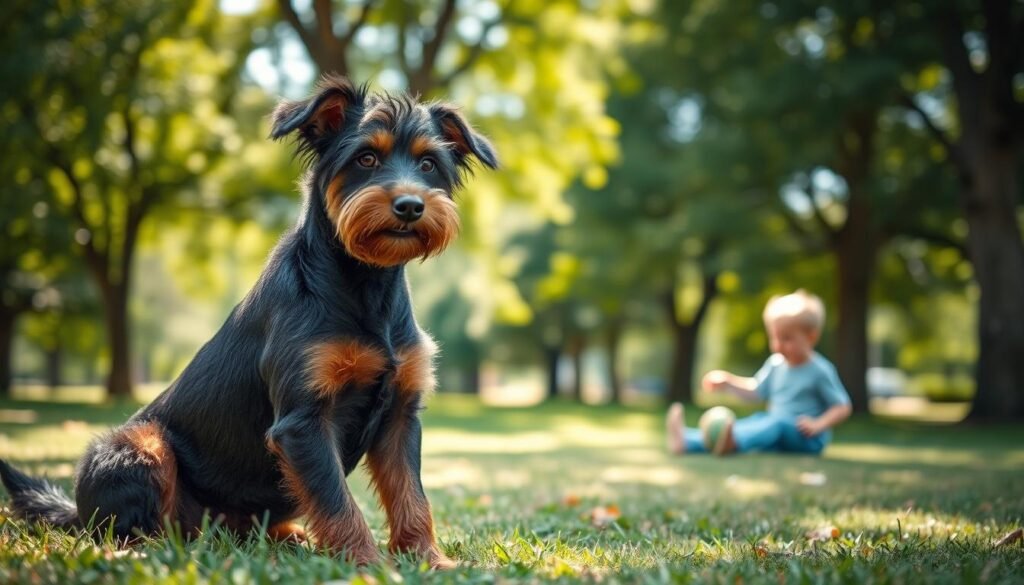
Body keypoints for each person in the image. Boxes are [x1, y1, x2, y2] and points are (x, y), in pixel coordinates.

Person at [666, 289, 852, 455]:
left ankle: (733, 443)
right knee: (757, 422)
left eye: (787, 338)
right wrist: (728, 382)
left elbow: (842, 407)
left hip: (807, 438)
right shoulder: (775, 364)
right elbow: (756, 391)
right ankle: (687, 441)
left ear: (811, 336)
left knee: (774, 423)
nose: (778, 345)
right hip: (778, 432)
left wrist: (818, 424)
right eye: (775, 337)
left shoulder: (819, 370)